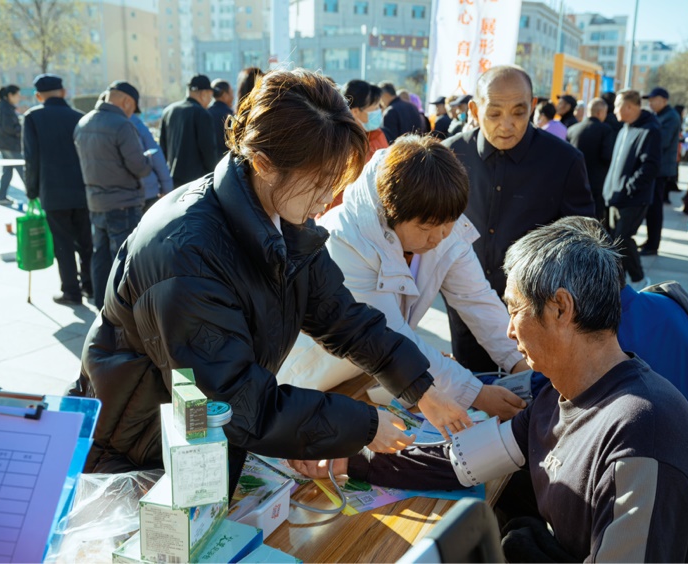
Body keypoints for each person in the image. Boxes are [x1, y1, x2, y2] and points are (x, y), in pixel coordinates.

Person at [77, 69, 472, 497]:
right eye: (319, 182)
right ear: (264, 163)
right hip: (137, 453)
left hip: (200, 442)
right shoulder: (186, 253)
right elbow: (234, 401)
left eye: (335, 181)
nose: (328, 197)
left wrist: (419, 386)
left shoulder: (285, 219)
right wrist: (363, 424)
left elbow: (343, 317)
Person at [292, 216, 688, 563]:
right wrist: (351, 458)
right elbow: (460, 461)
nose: (508, 330)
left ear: (560, 308)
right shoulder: (560, 398)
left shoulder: (642, 434)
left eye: (515, 309)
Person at [278, 136, 527, 419]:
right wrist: (475, 393)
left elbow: (476, 299)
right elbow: (390, 333)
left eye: (449, 224)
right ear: (392, 212)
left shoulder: (438, 213)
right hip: (311, 377)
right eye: (427, 228)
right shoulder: (346, 241)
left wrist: (520, 360)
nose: (440, 237)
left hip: (373, 373)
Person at [442, 65, 593, 372]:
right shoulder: (450, 155)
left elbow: (583, 247)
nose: (506, 125)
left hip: (535, 310)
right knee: (475, 384)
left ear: (533, 106)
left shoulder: (563, 161)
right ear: (474, 109)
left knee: (531, 390)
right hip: (465, 303)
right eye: (494, 113)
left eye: (519, 112)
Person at [74, 81, 152, 310]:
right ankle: (123, 312)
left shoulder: (83, 122)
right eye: (133, 107)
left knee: (100, 258)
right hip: (123, 203)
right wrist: (147, 159)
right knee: (125, 261)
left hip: (96, 203)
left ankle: (103, 308)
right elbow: (139, 166)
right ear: (127, 101)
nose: (132, 113)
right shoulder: (121, 125)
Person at [23, 74, 93, 304]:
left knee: (62, 244)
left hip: (52, 191)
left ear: (38, 96)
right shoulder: (79, 117)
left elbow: (31, 158)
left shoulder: (33, 118)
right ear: (63, 92)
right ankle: (90, 285)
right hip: (83, 190)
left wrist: (31, 190)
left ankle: (71, 291)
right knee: (86, 242)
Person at [603, 89, 661, 290]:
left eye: (617, 106)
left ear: (629, 107)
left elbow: (650, 167)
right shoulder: (624, 128)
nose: (614, 111)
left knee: (622, 239)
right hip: (614, 196)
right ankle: (618, 283)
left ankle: (639, 281)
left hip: (633, 198)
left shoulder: (650, 130)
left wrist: (629, 188)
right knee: (613, 242)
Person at [326, 79, 388, 210]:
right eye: (374, 108)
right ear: (355, 111)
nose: (379, 112)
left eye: (379, 107)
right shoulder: (340, 142)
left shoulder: (376, 134)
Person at [640, 87, 681, 256]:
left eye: (653, 99)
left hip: (660, 170)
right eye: (649, 100)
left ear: (664, 100)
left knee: (655, 208)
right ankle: (650, 240)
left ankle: (653, 244)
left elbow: (661, 142)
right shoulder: (659, 115)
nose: (650, 103)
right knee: (651, 207)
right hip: (657, 168)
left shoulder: (670, 117)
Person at [159, 74, 218, 187]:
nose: (211, 100)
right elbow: (208, 151)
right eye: (210, 95)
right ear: (203, 94)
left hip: (172, 179)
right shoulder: (202, 113)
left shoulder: (168, 111)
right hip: (195, 183)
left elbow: (162, 148)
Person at [567, 97, 615, 221]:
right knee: (595, 217)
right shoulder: (605, 129)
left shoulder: (572, 129)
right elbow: (607, 156)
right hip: (597, 182)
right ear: (600, 112)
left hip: (574, 180)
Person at [131, 112, 173, 212]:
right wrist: (167, 189)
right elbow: (156, 157)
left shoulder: (99, 123)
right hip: (148, 192)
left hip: (115, 199)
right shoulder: (136, 124)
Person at [0, 84, 23, 206]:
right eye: (17, 95)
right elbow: (8, 127)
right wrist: (20, 130)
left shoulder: (5, 107)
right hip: (9, 145)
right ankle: (35, 195)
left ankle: (2, 197)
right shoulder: (5, 109)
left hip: (5, 144)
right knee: (23, 169)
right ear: (10, 95)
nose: (19, 98)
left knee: (7, 171)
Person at [208, 78, 234, 158]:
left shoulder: (206, 113)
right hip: (226, 158)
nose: (233, 97)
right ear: (224, 95)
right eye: (231, 93)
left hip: (210, 159)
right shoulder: (230, 116)